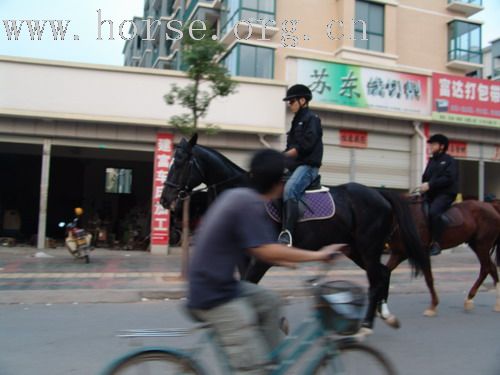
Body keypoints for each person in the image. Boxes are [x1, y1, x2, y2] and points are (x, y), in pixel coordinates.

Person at [187, 149, 346, 375]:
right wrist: (318, 255)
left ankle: (273, 363)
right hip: (212, 295)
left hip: (221, 284)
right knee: (252, 368)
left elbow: (258, 249)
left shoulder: (242, 197)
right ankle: (259, 369)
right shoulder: (248, 204)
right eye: (285, 180)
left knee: (270, 301)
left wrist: (287, 260)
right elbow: (268, 251)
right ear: (278, 183)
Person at [278, 84, 324, 246]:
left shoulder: (312, 119)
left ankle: (287, 234)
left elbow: (307, 145)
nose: (289, 104)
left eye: (291, 101)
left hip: (308, 167)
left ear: (302, 100)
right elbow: (289, 147)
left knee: (290, 189)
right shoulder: (295, 121)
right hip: (294, 167)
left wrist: (286, 155)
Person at [420, 134, 459, 256]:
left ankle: (437, 243)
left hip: (445, 194)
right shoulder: (432, 161)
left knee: (433, 212)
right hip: (431, 194)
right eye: (430, 144)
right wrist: (424, 187)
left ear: (442, 146)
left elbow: (449, 178)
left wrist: (430, 185)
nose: (430, 146)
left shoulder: (449, 161)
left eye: (433, 144)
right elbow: (425, 177)